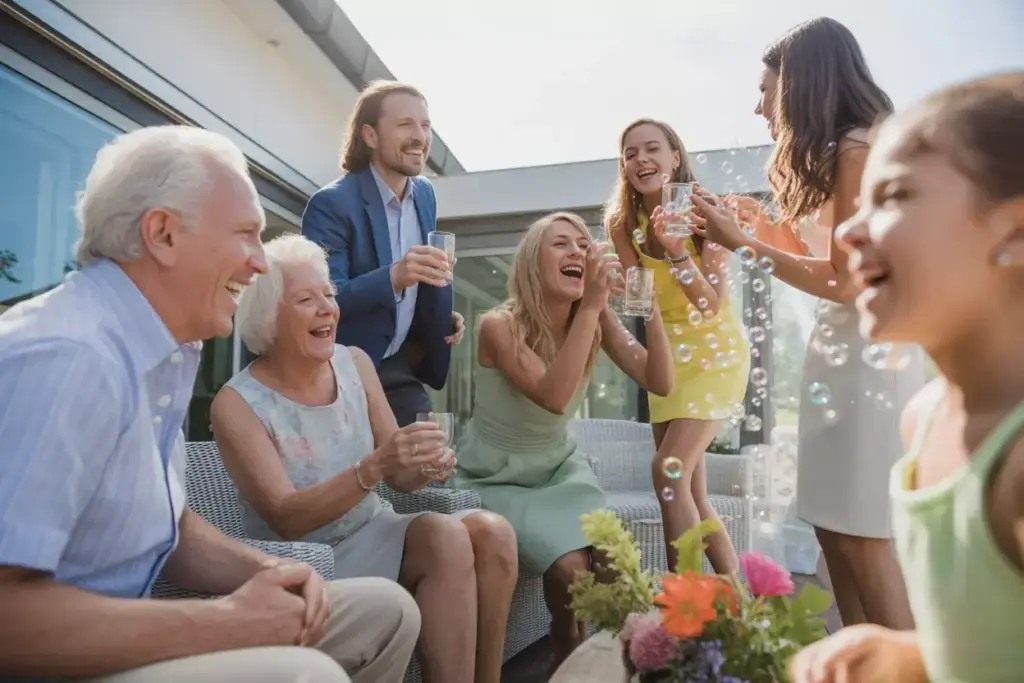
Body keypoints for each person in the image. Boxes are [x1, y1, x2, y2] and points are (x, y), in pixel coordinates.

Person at [0, 126, 419, 683]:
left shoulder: (162, 356)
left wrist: (271, 569)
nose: (257, 264)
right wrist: (226, 621)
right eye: (246, 235)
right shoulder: (69, 356)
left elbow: (168, 529)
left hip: (135, 634)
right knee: (306, 673)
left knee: (384, 613)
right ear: (163, 234)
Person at [682, 17, 922, 630]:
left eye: (767, 90)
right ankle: (863, 661)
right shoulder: (843, 151)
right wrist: (754, 226)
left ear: (801, 84)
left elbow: (847, 279)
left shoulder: (860, 149)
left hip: (872, 358)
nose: (759, 105)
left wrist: (741, 243)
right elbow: (818, 254)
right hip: (840, 353)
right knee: (834, 531)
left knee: (865, 537)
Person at [791, 72, 1024, 683]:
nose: (845, 230)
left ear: (1015, 232)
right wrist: (908, 656)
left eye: (892, 195)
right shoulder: (923, 420)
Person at [211, 233, 518, 683]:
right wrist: (373, 467)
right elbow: (285, 517)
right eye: (305, 299)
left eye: (329, 295)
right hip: (308, 559)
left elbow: (399, 477)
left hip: (374, 528)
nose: (327, 308)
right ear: (268, 316)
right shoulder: (236, 404)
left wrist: (421, 465)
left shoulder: (355, 363)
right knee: (446, 536)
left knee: (456, 533)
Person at [453, 211, 675, 668]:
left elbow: (660, 380)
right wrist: (593, 306)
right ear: (533, 262)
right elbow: (554, 398)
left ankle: (613, 668)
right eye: (561, 244)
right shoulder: (499, 325)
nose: (578, 251)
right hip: (499, 476)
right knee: (573, 573)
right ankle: (566, 649)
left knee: (617, 565)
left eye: (582, 244)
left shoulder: (592, 319)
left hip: (560, 468)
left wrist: (650, 309)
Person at [607, 118, 752, 575]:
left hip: (714, 356)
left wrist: (675, 251)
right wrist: (612, 287)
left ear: (675, 157)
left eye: (652, 149)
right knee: (688, 491)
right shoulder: (622, 223)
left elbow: (709, 304)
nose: (641, 160)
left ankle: (681, 604)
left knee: (667, 469)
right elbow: (639, 301)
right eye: (630, 153)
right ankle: (738, 601)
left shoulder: (706, 212)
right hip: (668, 361)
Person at [301, 80, 463, 428]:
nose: (420, 136)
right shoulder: (331, 204)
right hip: (339, 370)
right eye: (405, 124)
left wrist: (439, 314)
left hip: (398, 366)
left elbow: (421, 275)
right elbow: (321, 299)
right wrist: (395, 276)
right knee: (356, 476)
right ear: (370, 136)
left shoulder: (424, 194)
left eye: (425, 125)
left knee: (427, 466)